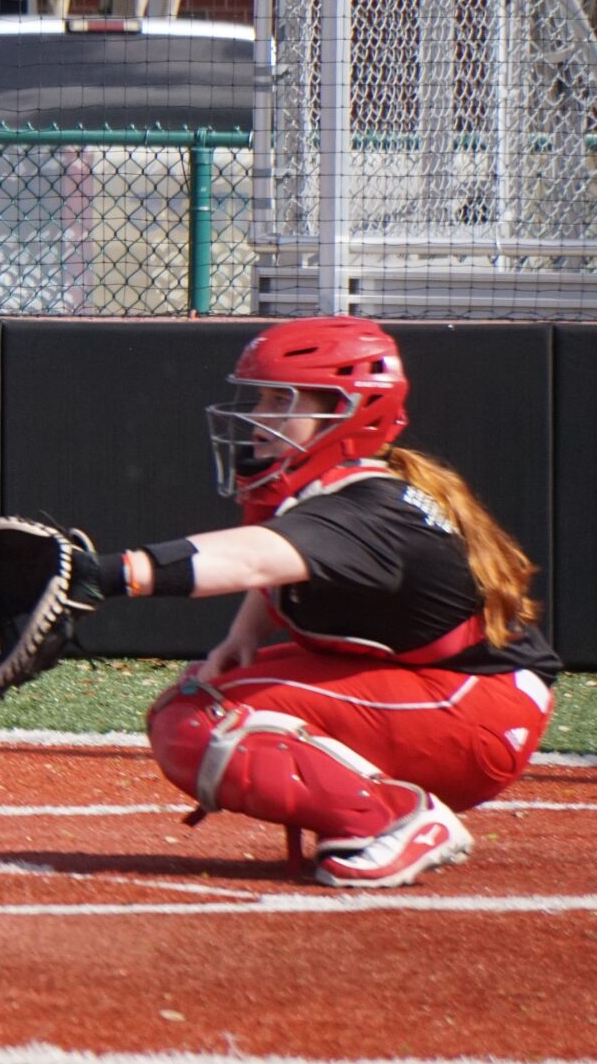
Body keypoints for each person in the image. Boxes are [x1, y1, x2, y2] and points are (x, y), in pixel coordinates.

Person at [97, 316, 560, 888]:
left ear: (347, 411)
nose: (256, 417)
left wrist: (107, 575)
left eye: (278, 400)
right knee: (201, 697)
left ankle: (395, 819)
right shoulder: (338, 488)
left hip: (474, 712)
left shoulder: (368, 507)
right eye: (260, 398)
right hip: (453, 692)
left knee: (198, 719)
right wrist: (244, 633)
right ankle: (380, 811)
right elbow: (286, 565)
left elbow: (252, 559)